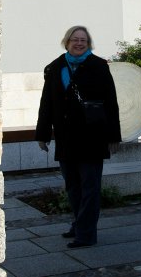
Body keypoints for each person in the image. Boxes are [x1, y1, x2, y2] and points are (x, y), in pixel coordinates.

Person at [35, 25, 122, 248]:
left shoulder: (99, 66)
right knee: (73, 186)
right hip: (66, 138)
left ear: (88, 43)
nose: (79, 43)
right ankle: (78, 223)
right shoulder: (55, 68)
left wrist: (114, 136)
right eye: (75, 39)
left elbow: (111, 103)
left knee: (90, 187)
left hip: (92, 137)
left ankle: (86, 233)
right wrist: (42, 134)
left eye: (83, 40)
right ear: (67, 42)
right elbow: (47, 104)